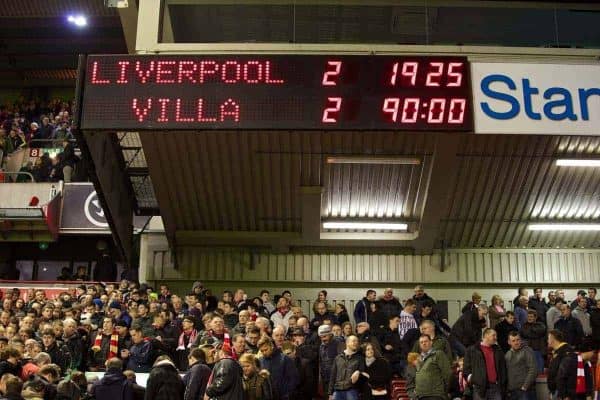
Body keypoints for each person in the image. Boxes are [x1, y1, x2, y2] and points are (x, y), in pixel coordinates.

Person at [547, 329, 592, 400]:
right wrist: (551, 391)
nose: (547, 341)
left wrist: (564, 395)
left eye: (548, 338)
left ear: (553, 339)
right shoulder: (556, 352)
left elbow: (566, 376)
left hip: (562, 393)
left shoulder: (566, 352)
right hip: (556, 391)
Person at [463, 328, 507, 400]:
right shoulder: (472, 350)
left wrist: (502, 383)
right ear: (486, 335)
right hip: (479, 388)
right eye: (494, 335)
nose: (496, 338)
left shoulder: (498, 350)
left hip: (495, 388)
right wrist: (473, 380)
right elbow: (466, 369)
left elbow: (503, 368)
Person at [413, 334, 452, 400]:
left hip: (435, 395)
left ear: (431, 342)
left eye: (426, 341)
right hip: (420, 396)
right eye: (421, 342)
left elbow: (447, 374)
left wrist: (443, 390)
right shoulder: (419, 359)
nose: (424, 343)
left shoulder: (438, 354)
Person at [328, 335, 365, 400]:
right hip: (337, 390)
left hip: (352, 390)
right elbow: (333, 376)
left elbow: (362, 373)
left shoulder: (360, 358)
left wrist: (358, 372)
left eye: (357, 341)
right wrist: (330, 393)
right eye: (354, 341)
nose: (356, 343)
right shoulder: (338, 358)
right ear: (347, 343)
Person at [504, 331, 536, 400]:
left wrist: (525, 386)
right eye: (513, 341)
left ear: (520, 340)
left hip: (524, 390)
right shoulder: (507, 354)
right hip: (511, 391)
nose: (516, 342)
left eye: (518, 340)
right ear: (509, 342)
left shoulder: (527, 351)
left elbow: (533, 369)